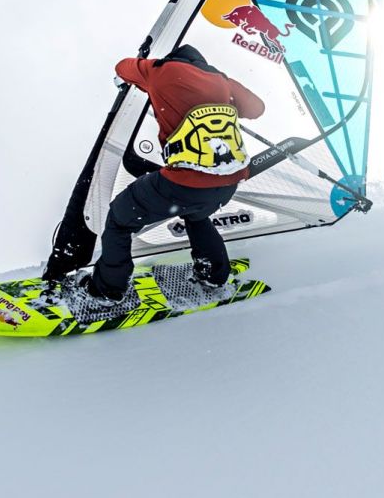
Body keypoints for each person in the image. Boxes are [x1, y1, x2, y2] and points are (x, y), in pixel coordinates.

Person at [79, 44, 265, 304]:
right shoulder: (221, 81)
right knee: (196, 215)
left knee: (120, 219)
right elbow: (257, 108)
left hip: (184, 184)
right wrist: (225, 92)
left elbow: (122, 67)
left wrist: (149, 75)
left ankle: (107, 289)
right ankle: (214, 275)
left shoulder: (161, 71)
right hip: (228, 181)